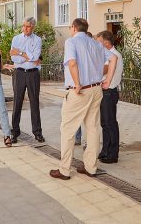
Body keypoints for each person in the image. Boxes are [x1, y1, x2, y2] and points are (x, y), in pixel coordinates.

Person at [49, 18, 118, 180]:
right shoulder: (96, 44)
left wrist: (78, 84)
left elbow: (72, 63)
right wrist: (107, 80)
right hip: (96, 90)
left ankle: (64, 170)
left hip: (80, 91)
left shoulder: (71, 42)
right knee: (93, 128)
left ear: (73, 28)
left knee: (68, 129)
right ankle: (90, 167)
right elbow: (114, 58)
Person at [10, 17, 45, 143]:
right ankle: (14, 132)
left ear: (33, 27)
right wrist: (25, 56)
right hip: (19, 73)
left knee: (34, 103)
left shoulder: (38, 40)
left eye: (28, 26)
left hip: (32, 74)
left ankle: (37, 132)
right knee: (17, 102)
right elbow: (14, 58)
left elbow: (36, 57)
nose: (25, 28)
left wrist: (21, 53)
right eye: (24, 25)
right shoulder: (16, 39)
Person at [96, 30, 124, 164]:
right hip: (104, 92)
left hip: (109, 92)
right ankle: (105, 151)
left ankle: (113, 154)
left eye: (99, 41)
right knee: (104, 123)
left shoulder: (114, 55)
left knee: (110, 123)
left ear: (106, 42)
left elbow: (103, 70)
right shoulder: (107, 55)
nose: (97, 44)